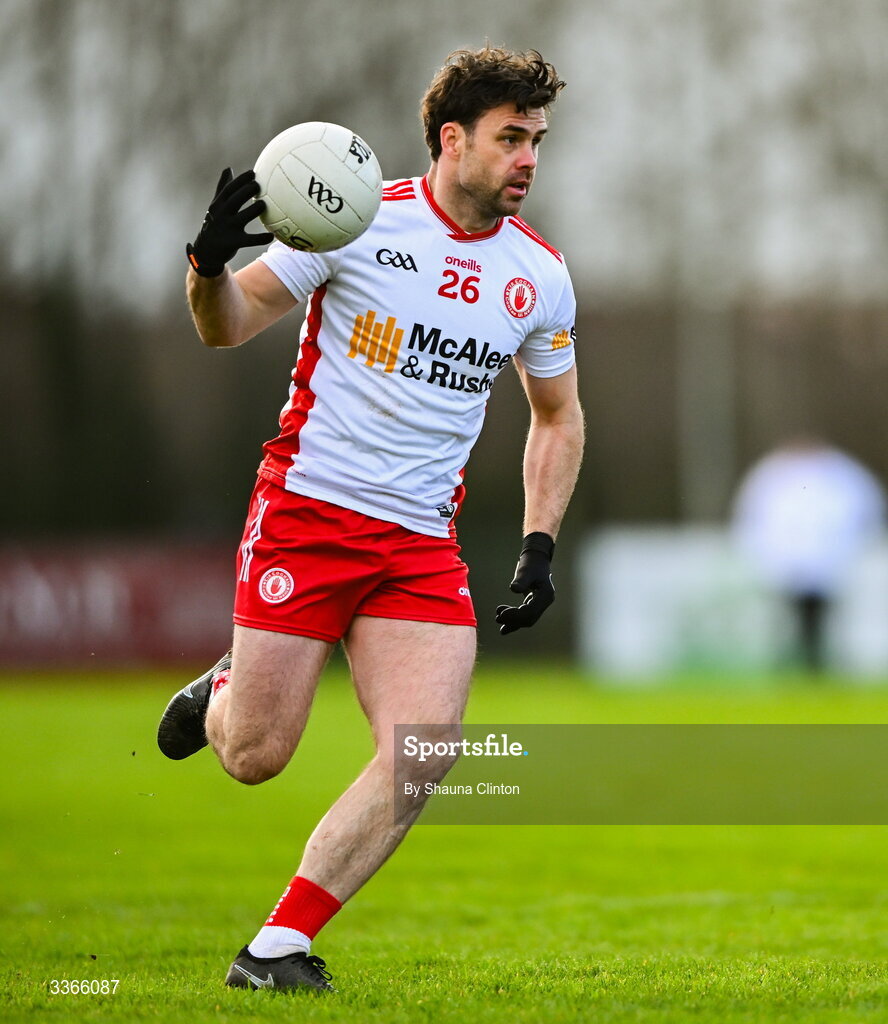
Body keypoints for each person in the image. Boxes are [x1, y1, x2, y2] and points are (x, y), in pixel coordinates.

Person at [157, 45, 584, 992]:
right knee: (257, 757)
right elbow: (225, 323)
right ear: (451, 139)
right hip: (308, 514)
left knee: (425, 754)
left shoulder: (539, 274)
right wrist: (205, 265)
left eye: (537, 141)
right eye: (510, 138)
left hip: (419, 544)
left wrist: (540, 543)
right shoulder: (352, 221)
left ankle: (276, 948)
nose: (528, 159)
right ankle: (222, 696)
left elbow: (558, 416)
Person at [731, 436, 885, 672]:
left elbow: (865, 509)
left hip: (827, 562)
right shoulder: (772, 473)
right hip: (787, 563)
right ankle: (791, 667)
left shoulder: (840, 473)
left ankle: (817, 666)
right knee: (789, 619)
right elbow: (752, 516)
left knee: (819, 620)